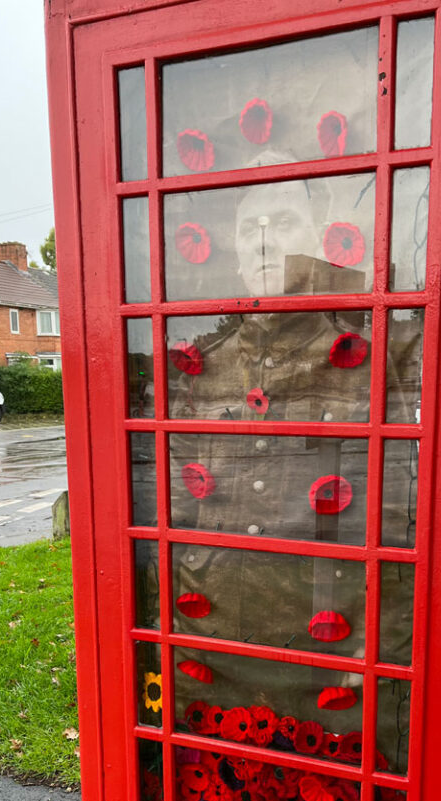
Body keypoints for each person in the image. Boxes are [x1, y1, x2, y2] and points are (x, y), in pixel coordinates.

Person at [156, 169, 414, 768]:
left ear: (320, 244)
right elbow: (165, 513)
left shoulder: (360, 363)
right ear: (237, 255)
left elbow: (400, 522)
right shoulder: (203, 367)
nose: (265, 240)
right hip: (212, 642)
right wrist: (167, 636)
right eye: (250, 227)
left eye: (285, 223)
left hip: (327, 645)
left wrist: (381, 653)